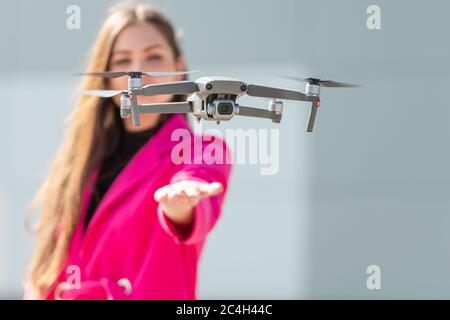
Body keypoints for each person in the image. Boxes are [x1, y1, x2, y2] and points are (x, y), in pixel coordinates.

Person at [24, 1, 232, 300]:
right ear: (106, 74)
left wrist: (181, 207)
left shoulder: (201, 148)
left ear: (179, 67)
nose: (138, 70)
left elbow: (197, 187)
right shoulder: (78, 160)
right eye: (122, 61)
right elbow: (46, 271)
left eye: (154, 56)